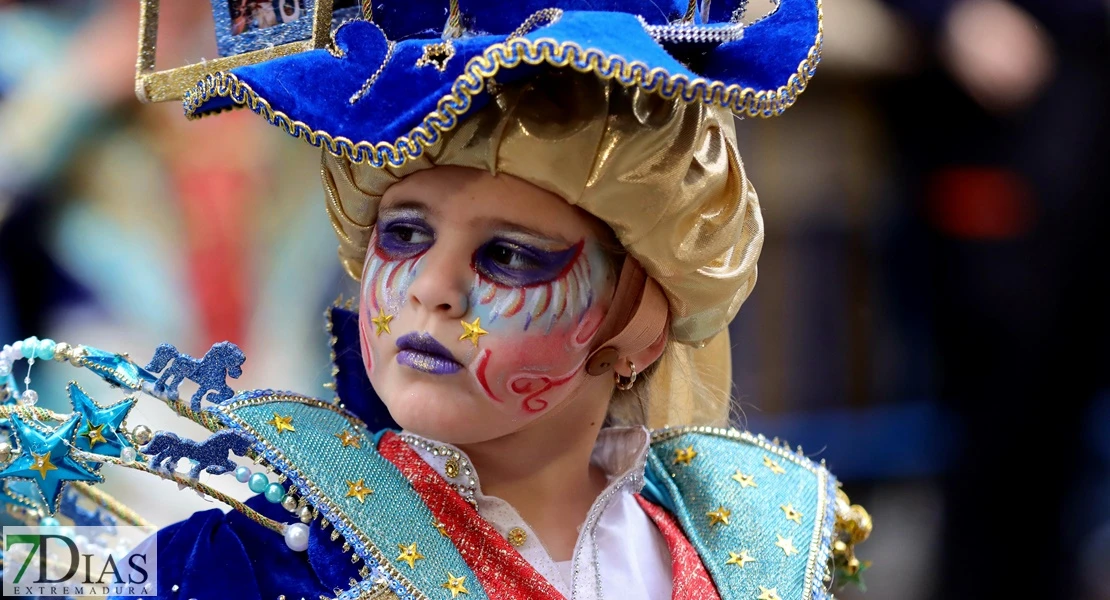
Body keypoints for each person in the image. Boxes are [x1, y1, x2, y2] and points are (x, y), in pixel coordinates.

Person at [0, 1, 870, 598]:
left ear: (639, 319)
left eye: (508, 255)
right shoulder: (254, 565)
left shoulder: (754, 548)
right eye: (405, 234)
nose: (431, 288)